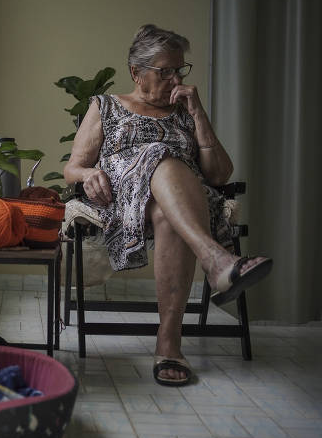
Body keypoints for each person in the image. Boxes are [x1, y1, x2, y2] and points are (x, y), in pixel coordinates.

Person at [63, 24, 272, 386]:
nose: (175, 79)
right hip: (124, 200)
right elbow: (72, 167)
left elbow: (219, 175)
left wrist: (198, 114)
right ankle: (216, 260)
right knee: (159, 152)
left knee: (166, 212)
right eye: (165, 71)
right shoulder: (107, 105)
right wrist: (85, 176)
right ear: (136, 73)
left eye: (180, 70)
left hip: (182, 204)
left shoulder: (185, 111)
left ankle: (169, 343)